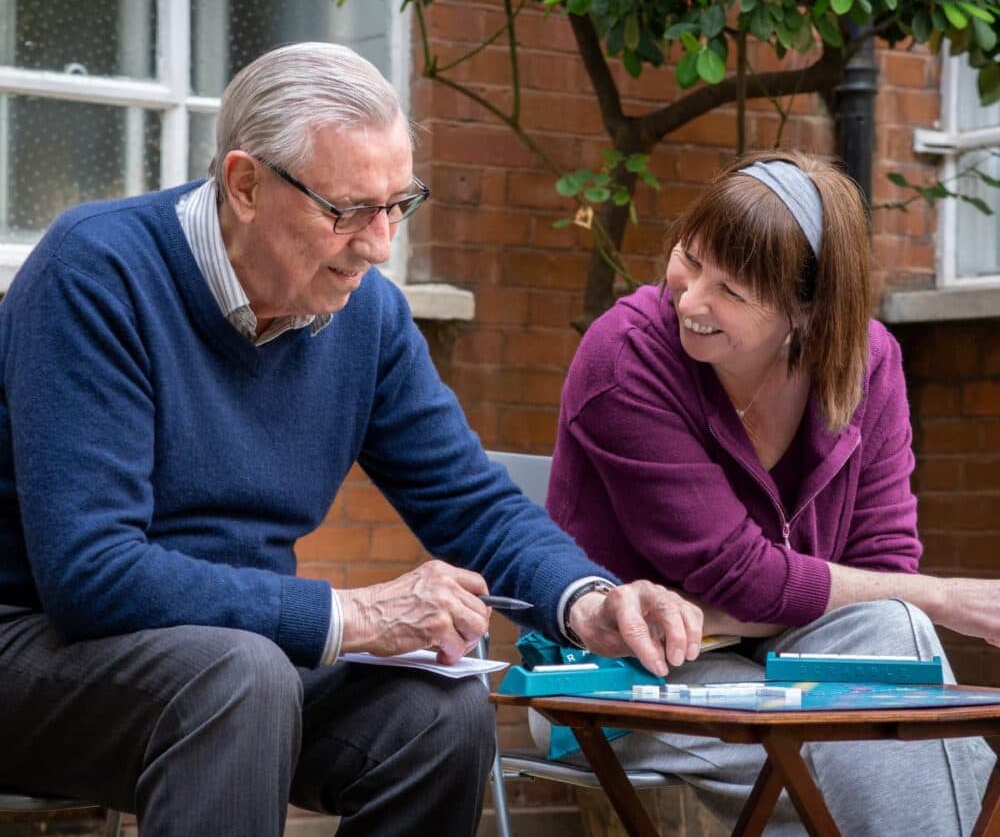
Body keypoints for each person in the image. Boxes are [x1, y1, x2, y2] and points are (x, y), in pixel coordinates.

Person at [0, 42, 706, 837]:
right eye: (348, 212)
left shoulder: (365, 314)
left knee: (438, 712)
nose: (379, 245)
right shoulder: (97, 272)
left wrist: (590, 601)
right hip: (36, 645)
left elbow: (470, 504)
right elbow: (91, 573)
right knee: (242, 673)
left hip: (238, 660)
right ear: (244, 184)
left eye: (398, 204)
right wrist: (356, 616)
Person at [544, 149, 998, 836]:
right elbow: (739, 577)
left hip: (801, 670)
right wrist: (944, 597)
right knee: (904, 745)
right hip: (626, 680)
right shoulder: (626, 358)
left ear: (808, 312)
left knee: (890, 637)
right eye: (689, 260)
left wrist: (798, 607)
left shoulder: (867, 364)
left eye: (730, 289)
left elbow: (884, 569)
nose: (689, 300)